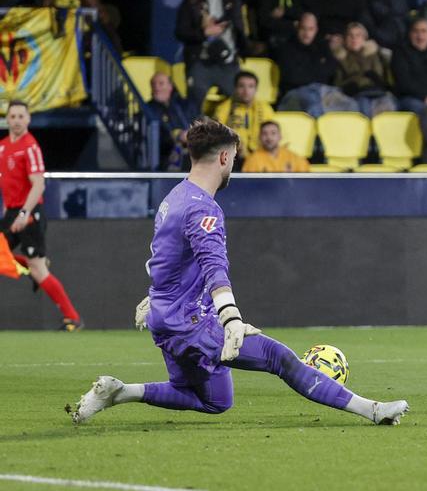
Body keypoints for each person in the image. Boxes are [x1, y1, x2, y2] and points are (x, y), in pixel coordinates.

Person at [69, 119, 409, 426]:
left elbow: (164, 256)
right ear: (222, 158)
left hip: (165, 319)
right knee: (279, 357)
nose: (234, 164)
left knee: (216, 400)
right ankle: (373, 410)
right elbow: (213, 267)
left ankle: (118, 392)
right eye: (234, 157)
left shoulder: (174, 197)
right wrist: (230, 318)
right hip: (190, 323)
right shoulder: (205, 209)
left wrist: (156, 297)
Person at [0, 100, 82, 331]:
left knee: (39, 271)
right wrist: (8, 212)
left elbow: (38, 185)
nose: (16, 121)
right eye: (12, 116)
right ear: (7, 119)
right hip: (13, 211)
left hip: (30, 211)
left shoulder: (30, 147)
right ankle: (29, 263)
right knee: (17, 259)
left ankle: (72, 318)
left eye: (20, 116)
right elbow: (8, 184)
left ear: (28, 119)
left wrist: (24, 213)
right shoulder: (3, 146)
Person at [175, 0, 246, 112]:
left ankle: (233, 130)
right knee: (195, 105)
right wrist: (204, 33)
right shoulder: (191, 1)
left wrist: (245, 48)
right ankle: (197, 130)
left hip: (228, 62)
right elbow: (181, 32)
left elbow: (239, 25)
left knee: (238, 105)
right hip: (200, 63)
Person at [273, 12, 340, 116]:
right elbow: (291, 77)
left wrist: (312, 73)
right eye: (303, 28)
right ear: (297, 28)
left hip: (321, 91)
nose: (306, 33)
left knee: (351, 105)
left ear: (316, 29)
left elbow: (331, 70)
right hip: (294, 93)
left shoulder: (322, 47)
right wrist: (318, 72)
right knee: (313, 102)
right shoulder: (286, 48)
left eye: (310, 29)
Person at [332, 22, 396, 118]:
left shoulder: (374, 54)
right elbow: (337, 83)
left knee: (389, 107)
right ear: (345, 39)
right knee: (363, 107)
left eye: (358, 35)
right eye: (350, 35)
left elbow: (384, 76)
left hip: (378, 91)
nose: (354, 39)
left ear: (364, 38)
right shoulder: (341, 57)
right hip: (356, 94)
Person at [213, 71, 275, 159]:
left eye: (250, 86)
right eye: (241, 86)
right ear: (235, 88)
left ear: (256, 89)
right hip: (233, 156)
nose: (246, 91)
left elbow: (271, 134)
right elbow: (217, 134)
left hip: (260, 156)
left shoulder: (265, 109)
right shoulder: (224, 108)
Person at [148, 72, 196, 171]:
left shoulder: (184, 105)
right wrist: (178, 135)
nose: (157, 87)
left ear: (170, 86)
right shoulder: (148, 109)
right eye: (153, 84)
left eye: (161, 84)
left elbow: (195, 122)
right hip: (165, 152)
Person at [243, 121, 310, 172]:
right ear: (260, 137)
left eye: (273, 133)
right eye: (265, 134)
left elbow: (306, 181)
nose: (269, 138)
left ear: (280, 136)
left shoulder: (293, 158)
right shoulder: (252, 160)